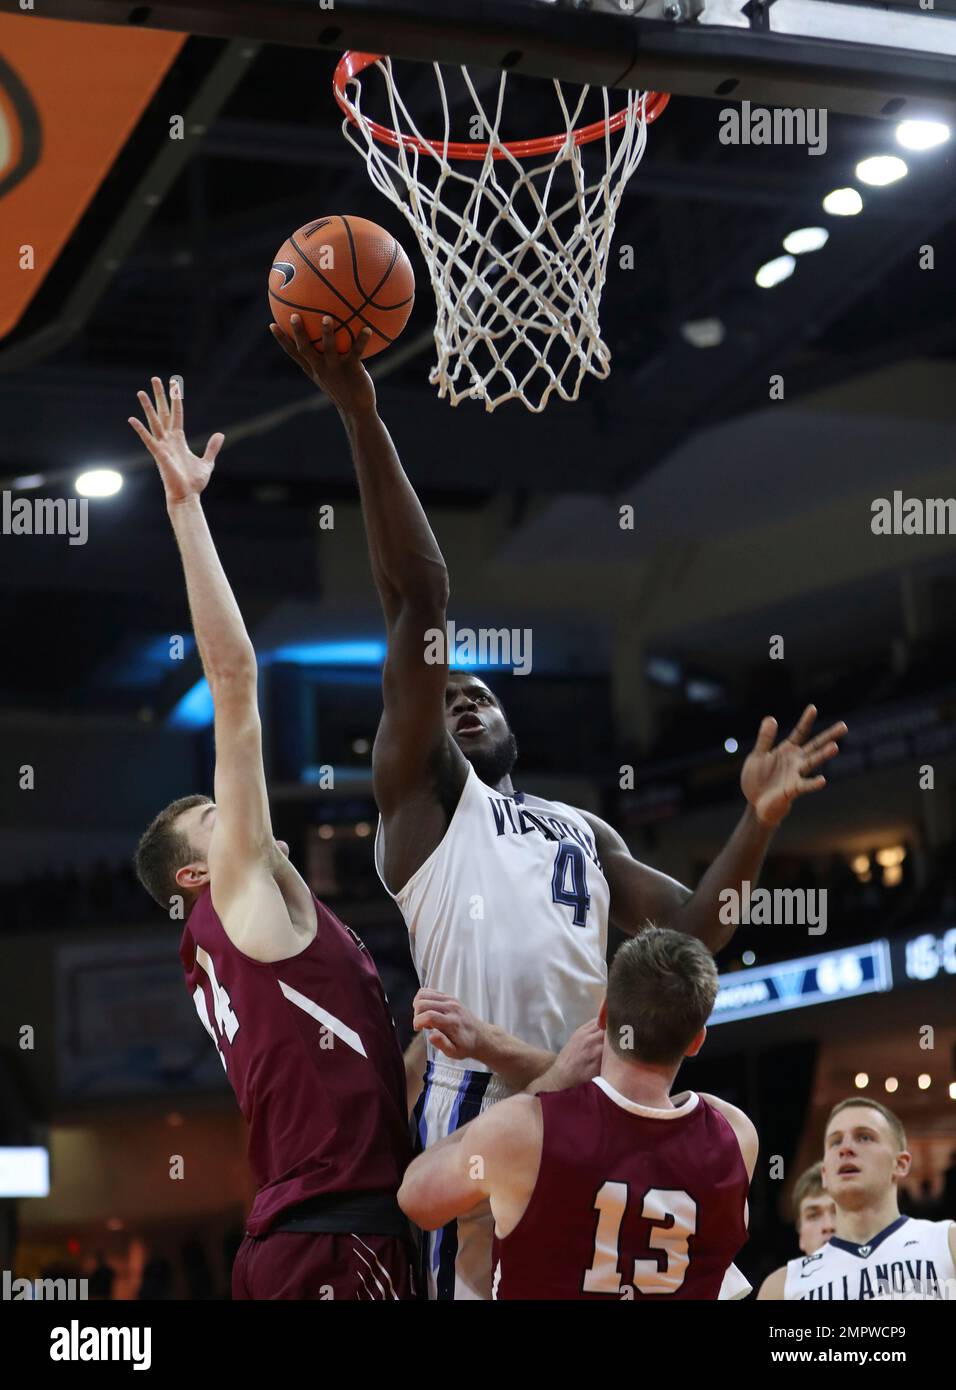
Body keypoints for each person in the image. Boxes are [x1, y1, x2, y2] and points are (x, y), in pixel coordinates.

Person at [272, 312, 846, 1299]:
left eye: (482, 695)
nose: (463, 698)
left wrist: (756, 820)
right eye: (447, 699)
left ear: (514, 731)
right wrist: (363, 414)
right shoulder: (422, 808)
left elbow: (691, 937)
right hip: (481, 1091)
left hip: (593, 1088)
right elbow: (417, 597)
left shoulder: (581, 829)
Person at [129, 378, 415, 1300]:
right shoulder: (236, 895)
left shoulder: (253, 940)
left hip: (309, 1238)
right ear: (192, 871)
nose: (239, 816)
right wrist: (186, 510)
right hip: (330, 1243)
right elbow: (236, 679)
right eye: (216, 818)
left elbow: (333, 1068)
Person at [397, 927, 757, 1299]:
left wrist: (549, 1080)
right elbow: (638, 1118)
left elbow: (417, 1197)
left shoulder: (523, 1132)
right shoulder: (735, 1137)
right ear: (697, 1040)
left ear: (603, 1015)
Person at [757, 1098, 956, 1300]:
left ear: (901, 1164)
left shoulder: (948, 1243)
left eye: (864, 1137)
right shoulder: (781, 1288)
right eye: (835, 1142)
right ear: (825, 1173)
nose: (845, 1148)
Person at [792, 1160, 837, 1256]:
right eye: (813, 1216)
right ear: (801, 1238)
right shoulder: (789, 1271)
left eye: (839, 1213)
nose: (828, 1226)